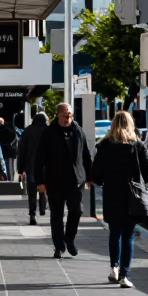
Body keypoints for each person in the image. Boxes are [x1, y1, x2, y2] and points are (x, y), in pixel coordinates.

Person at [91, 110, 148, 289]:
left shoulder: (104, 146)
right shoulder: (138, 146)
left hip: (112, 195)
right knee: (128, 236)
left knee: (114, 233)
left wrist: (106, 181)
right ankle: (124, 275)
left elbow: (95, 174)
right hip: (132, 197)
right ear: (130, 124)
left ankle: (114, 267)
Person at [34, 102, 93, 259]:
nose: (69, 118)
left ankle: (70, 238)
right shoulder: (48, 133)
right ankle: (59, 246)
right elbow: (39, 158)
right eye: (66, 116)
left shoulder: (78, 130)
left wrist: (90, 176)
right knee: (57, 215)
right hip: (55, 181)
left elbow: (86, 154)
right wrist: (40, 181)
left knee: (77, 210)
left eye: (71, 115)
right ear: (58, 115)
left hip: (75, 180)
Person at [16, 110, 49, 225]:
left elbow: (21, 152)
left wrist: (20, 169)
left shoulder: (27, 131)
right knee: (43, 187)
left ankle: (32, 213)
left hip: (31, 166)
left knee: (31, 191)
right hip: (46, 167)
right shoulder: (49, 131)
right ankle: (43, 208)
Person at [0, 116, 18, 181]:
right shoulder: (10, 130)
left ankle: (0, 179)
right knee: (10, 169)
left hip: (0, 153)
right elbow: (14, 140)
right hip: (10, 152)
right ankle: (10, 181)